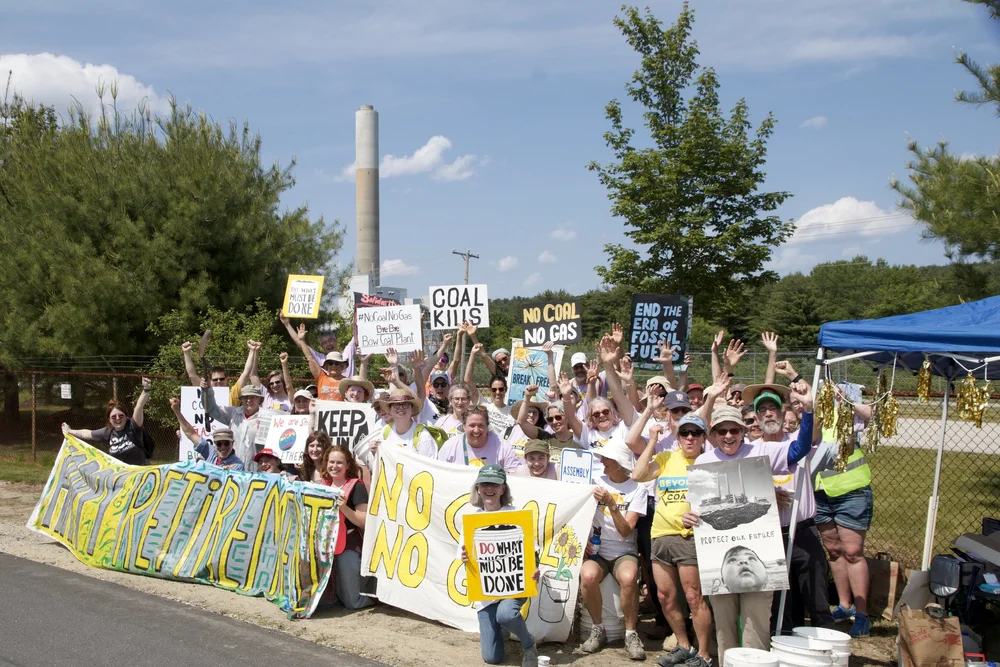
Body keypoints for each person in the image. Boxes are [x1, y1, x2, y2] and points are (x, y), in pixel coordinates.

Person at [689, 396, 812, 661]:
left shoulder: (761, 451)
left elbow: (800, 448)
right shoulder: (702, 463)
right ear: (713, 434)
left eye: (734, 430)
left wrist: (809, 410)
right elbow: (697, 507)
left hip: (759, 552)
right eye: (722, 431)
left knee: (756, 627)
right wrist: (689, 517)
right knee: (724, 628)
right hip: (718, 558)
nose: (728, 436)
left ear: (743, 431)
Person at [740, 377, 833, 634]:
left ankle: (827, 645)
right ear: (756, 417)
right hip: (769, 534)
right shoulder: (749, 451)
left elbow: (806, 442)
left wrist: (809, 407)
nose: (768, 413)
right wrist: (767, 493)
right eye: (762, 410)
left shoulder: (796, 441)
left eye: (773, 408)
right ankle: (783, 644)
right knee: (780, 603)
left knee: (816, 596)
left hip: (802, 531)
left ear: (783, 413)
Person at [632, 411, 712, 667]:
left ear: (703, 437)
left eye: (696, 433)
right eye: (685, 432)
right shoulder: (666, 458)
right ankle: (684, 645)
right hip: (660, 535)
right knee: (665, 596)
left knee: (693, 597)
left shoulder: (708, 462)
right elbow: (638, 474)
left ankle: (705, 654)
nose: (690, 438)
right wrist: (653, 441)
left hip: (688, 537)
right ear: (678, 437)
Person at [810, 379, 875, 638]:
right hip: (820, 492)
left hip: (851, 490)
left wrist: (845, 401)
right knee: (834, 551)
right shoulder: (811, 417)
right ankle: (844, 606)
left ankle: (862, 614)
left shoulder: (843, 411)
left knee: (853, 552)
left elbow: (870, 415)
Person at [460, 465, 539, 667]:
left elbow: (532, 553)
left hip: (515, 586)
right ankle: (502, 628)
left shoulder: (517, 515)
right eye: (484, 484)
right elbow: (464, 555)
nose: (489, 488)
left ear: (503, 489)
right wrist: (464, 556)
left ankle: (529, 644)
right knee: (492, 658)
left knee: (506, 614)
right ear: (478, 488)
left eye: (495, 484)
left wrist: (536, 568)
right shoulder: (471, 521)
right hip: (486, 594)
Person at [579, 439, 648, 661]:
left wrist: (611, 503)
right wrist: (583, 539)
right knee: (587, 576)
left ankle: (630, 633)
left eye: (607, 459)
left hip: (624, 551)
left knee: (628, 577)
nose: (602, 462)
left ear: (619, 463)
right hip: (597, 550)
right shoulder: (595, 482)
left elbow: (626, 531)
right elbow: (579, 511)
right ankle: (598, 628)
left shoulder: (638, 489)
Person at [321, 444, 373, 609]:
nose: (334, 466)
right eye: (331, 462)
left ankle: (377, 598)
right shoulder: (323, 485)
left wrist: (344, 508)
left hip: (348, 545)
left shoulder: (356, 486)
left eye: (339, 462)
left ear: (348, 465)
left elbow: (364, 521)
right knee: (326, 600)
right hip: (325, 545)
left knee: (353, 601)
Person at [62, 378, 154, 466]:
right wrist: (69, 431)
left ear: (126, 416)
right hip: (121, 474)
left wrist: (146, 389)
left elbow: (139, 407)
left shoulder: (134, 426)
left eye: (121, 415)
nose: (117, 418)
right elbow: (87, 433)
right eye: (113, 417)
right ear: (109, 419)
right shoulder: (108, 432)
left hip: (139, 473)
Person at [169, 396, 243, 470]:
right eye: (219, 444)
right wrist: (176, 410)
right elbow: (190, 433)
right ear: (214, 443)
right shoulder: (210, 451)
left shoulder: (237, 465)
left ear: (232, 443)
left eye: (226, 443)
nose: (223, 447)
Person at [204, 379, 264, 472]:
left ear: (259, 399)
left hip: (255, 472)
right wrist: (207, 390)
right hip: (232, 469)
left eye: (253, 397)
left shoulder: (266, 417)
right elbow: (211, 409)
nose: (249, 400)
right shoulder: (233, 413)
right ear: (241, 399)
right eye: (245, 397)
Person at [368, 388, 439, 465]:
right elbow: (383, 463)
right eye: (396, 404)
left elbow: (427, 468)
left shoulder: (423, 435)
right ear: (390, 410)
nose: (401, 408)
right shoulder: (385, 431)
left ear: (412, 409)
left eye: (405, 404)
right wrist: (375, 453)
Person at [438, 407, 520, 472]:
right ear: (464, 426)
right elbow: (440, 475)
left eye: (481, 425)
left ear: (487, 426)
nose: (476, 430)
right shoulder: (449, 446)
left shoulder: (503, 447)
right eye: (472, 425)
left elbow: (515, 476)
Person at [182, 339, 254, 406]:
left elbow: (246, 373)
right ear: (210, 380)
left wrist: (252, 351)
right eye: (215, 379)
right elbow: (192, 375)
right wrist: (186, 353)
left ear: (226, 379)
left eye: (221, 379)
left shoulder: (232, 395)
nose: (219, 381)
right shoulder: (204, 393)